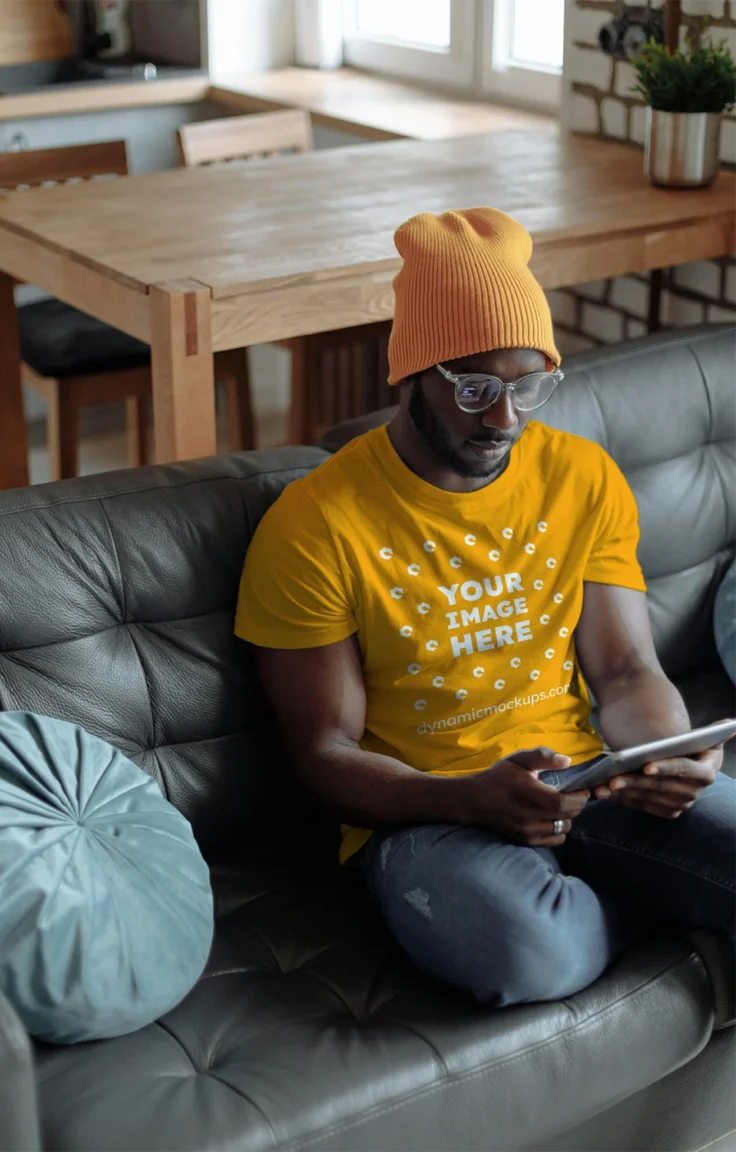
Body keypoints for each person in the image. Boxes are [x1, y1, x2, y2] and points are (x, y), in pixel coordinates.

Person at [235, 206, 735, 1007]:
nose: (503, 418)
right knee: (532, 954)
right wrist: (466, 795)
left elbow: (625, 668)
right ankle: (671, 904)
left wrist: (666, 755)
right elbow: (322, 754)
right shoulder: (315, 526)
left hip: (588, 783)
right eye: (473, 388)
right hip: (427, 817)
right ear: (409, 375)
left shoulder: (582, 477)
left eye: (528, 385)